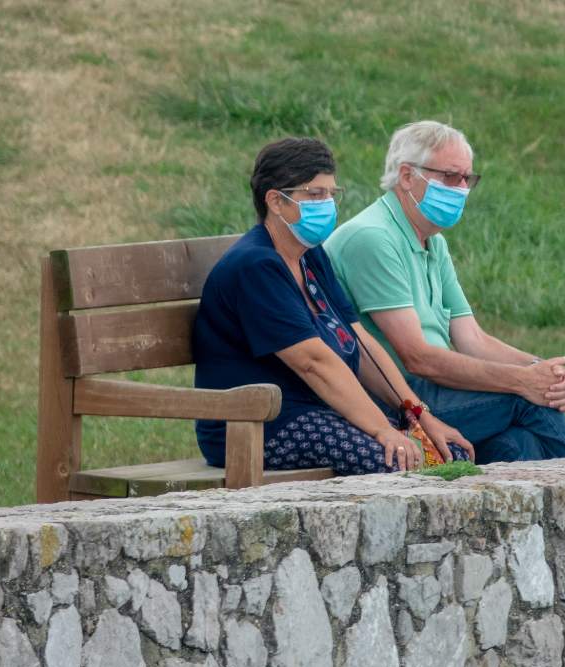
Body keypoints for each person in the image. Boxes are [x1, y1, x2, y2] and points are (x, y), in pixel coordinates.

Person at [192, 137, 472, 475]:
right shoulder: (256, 267)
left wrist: (418, 416)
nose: (327, 204)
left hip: (317, 411)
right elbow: (314, 363)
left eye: (330, 193)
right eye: (314, 194)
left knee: (449, 452)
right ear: (276, 202)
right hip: (260, 424)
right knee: (394, 460)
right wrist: (382, 430)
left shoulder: (311, 256)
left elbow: (361, 343)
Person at [324, 121, 565, 463]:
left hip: (431, 389)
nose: (461, 188)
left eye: (467, 178)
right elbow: (417, 358)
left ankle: (537, 516)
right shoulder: (372, 238)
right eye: (450, 176)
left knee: (517, 443)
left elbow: (472, 338)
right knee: (523, 400)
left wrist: (543, 370)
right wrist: (522, 382)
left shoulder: (433, 241)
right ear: (406, 176)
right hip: (391, 396)